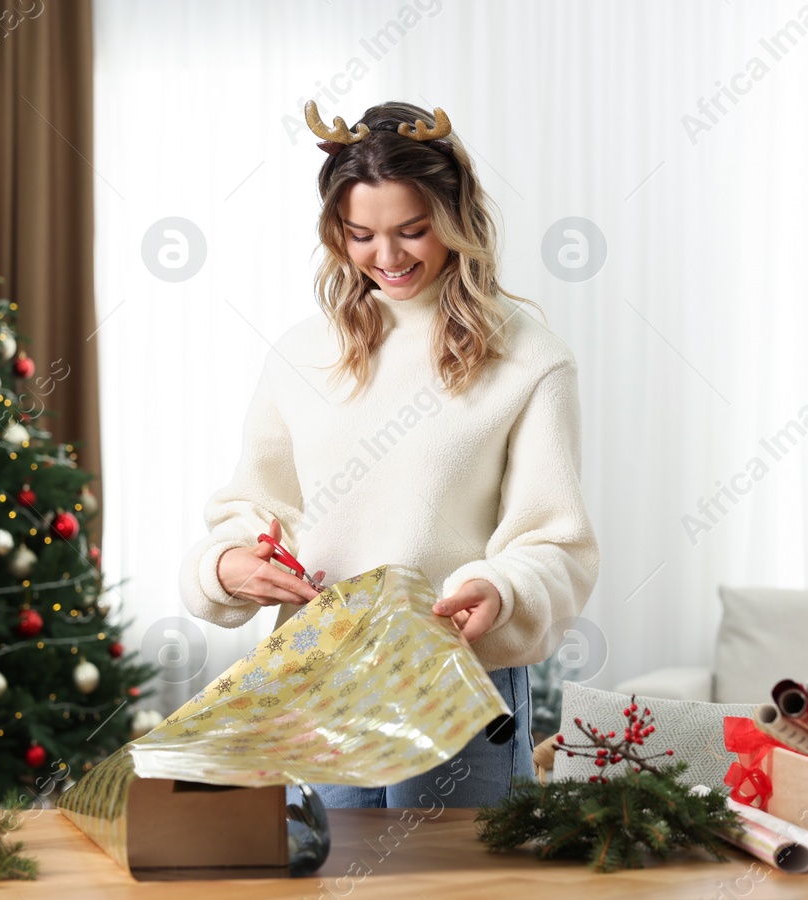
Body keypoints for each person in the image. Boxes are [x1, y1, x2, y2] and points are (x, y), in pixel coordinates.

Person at [177, 100, 599, 808]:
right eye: (362, 234)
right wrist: (224, 566)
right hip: (323, 686)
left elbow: (555, 543)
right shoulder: (302, 356)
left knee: (457, 888)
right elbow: (256, 507)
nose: (390, 257)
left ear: (457, 218)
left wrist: (501, 589)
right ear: (334, 231)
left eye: (413, 230)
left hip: (456, 685)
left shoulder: (529, 359)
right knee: (330, 880)